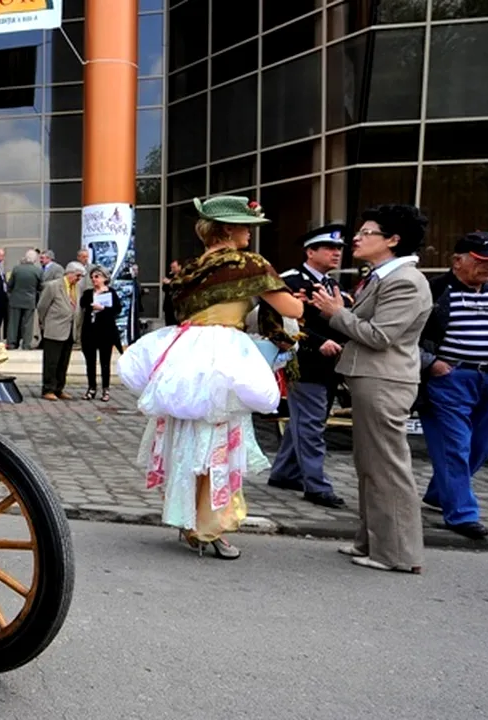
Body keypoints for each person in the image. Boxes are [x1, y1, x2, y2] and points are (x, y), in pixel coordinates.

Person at [120, 195, 303, 560]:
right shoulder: (248, 264)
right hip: (223, 355)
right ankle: (209, 526)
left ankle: (188, 520)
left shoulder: (190, 269)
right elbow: (292, 309)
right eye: (246, 226)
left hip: (185, 352)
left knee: (187, 436)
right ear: (229, 229)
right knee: (219, 440)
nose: (250, 232)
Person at [310, 204, 434, 574]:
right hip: (371, 379)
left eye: (367, 233)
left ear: (393, 240)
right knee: (369, 466)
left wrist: (337, 313)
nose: (356, 239)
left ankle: (396, 553)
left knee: (387, 468)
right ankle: (371, 542)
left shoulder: (406, 281)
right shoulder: (382, 276)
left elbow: (380, 337)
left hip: (386, 380)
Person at [415, 232, 488, 541]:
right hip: (451, 379)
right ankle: (462, 514)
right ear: (458, 261)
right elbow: (409, 335)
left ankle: (441, 493)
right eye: (483, 262)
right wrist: (431, 363)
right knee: (455, 446)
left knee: (480, 447)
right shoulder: (434, 291)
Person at [268, 224, 352, 508]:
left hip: (330, 366)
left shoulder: (333, 285)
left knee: (303, 422)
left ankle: (283, 473)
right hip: (303, 363)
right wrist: (316, 342)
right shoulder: (291, 280)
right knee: (312, 425)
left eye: (339, 249)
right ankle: (317, 485)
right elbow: (281, 321)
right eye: (330, 248)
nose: (336, 254)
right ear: (310, 251)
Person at [37, 262, 85, 401]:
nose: (79, 278)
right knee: (52, 362)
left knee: (63, 362)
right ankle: (48, 389)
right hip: (54, 329)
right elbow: (42, 307)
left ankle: (59, 388)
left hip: (70, 329)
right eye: (77, 275)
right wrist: (44, 324)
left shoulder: (77, 288)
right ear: (70, 273)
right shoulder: (53, 286)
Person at [79, 265, 123, 402]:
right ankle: (91, 387)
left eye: (97, 277)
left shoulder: (111, 292)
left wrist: (103, 308)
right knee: (90, 362)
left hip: (105, 331)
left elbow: (117, 309)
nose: (94, 280)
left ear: (104, 278)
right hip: (90, 331)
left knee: (105, 361)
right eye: (92, 277)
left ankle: (106, 388)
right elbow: (83, 305)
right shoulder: (88, 293)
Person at [6, 250, 43, 350]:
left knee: (13, 323)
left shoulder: (17, 269)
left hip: (15, 299)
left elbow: (10, 284)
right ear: (34, 259)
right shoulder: (37, 271)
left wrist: (11, 293)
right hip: (30, 300)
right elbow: (41, 286)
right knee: (28, 324)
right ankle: (26, 344)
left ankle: (11, 343)